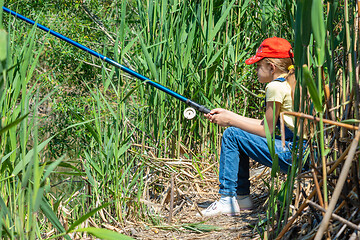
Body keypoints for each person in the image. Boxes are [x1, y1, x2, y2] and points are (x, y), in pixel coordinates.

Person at [199, 37, 302, 217]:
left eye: (257, 66)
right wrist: (228, 115)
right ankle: (242, 199)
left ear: (271, 67)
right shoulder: (291, 82)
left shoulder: (274, 87)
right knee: (237, 133)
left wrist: (229, 122)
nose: (255, 70)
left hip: (294, 154)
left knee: (232, 134)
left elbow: (266, 131)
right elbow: (264, 126)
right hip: (306, 151)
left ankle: (227, 199)